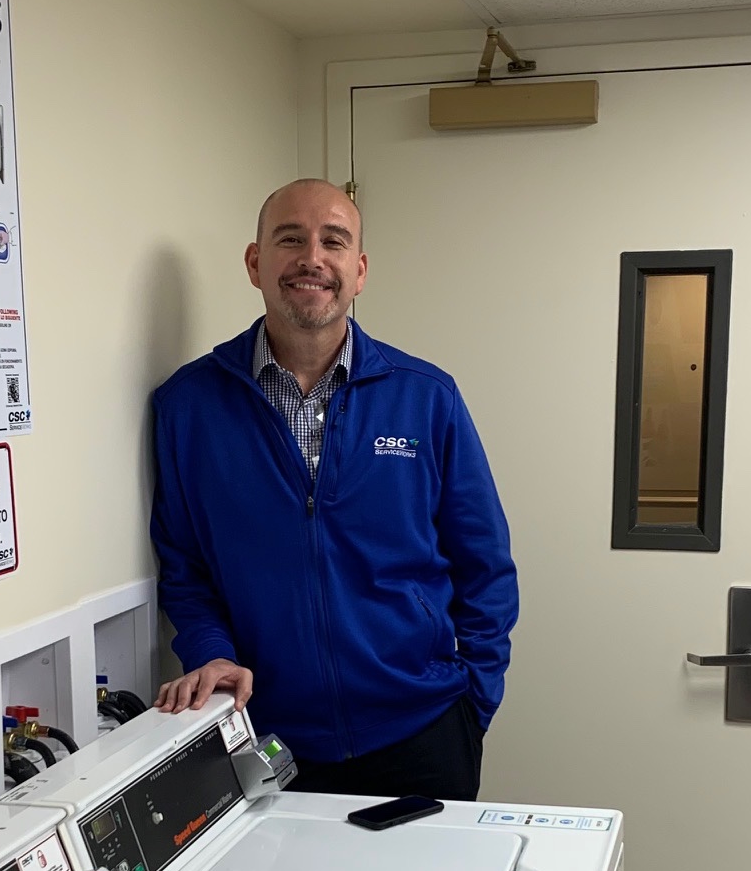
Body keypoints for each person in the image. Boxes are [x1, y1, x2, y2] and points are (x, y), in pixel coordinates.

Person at [149, 179, 517, 801]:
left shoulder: (426, 398)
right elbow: (185, 570)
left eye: (333, 242)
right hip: (268, 743)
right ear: (255, 262)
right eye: (290, 239)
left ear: (360, 270)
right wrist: (210, 654)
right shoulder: (189, 407)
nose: (311, 259)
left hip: (422, 736)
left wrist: (471, 707)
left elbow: (486, 567)